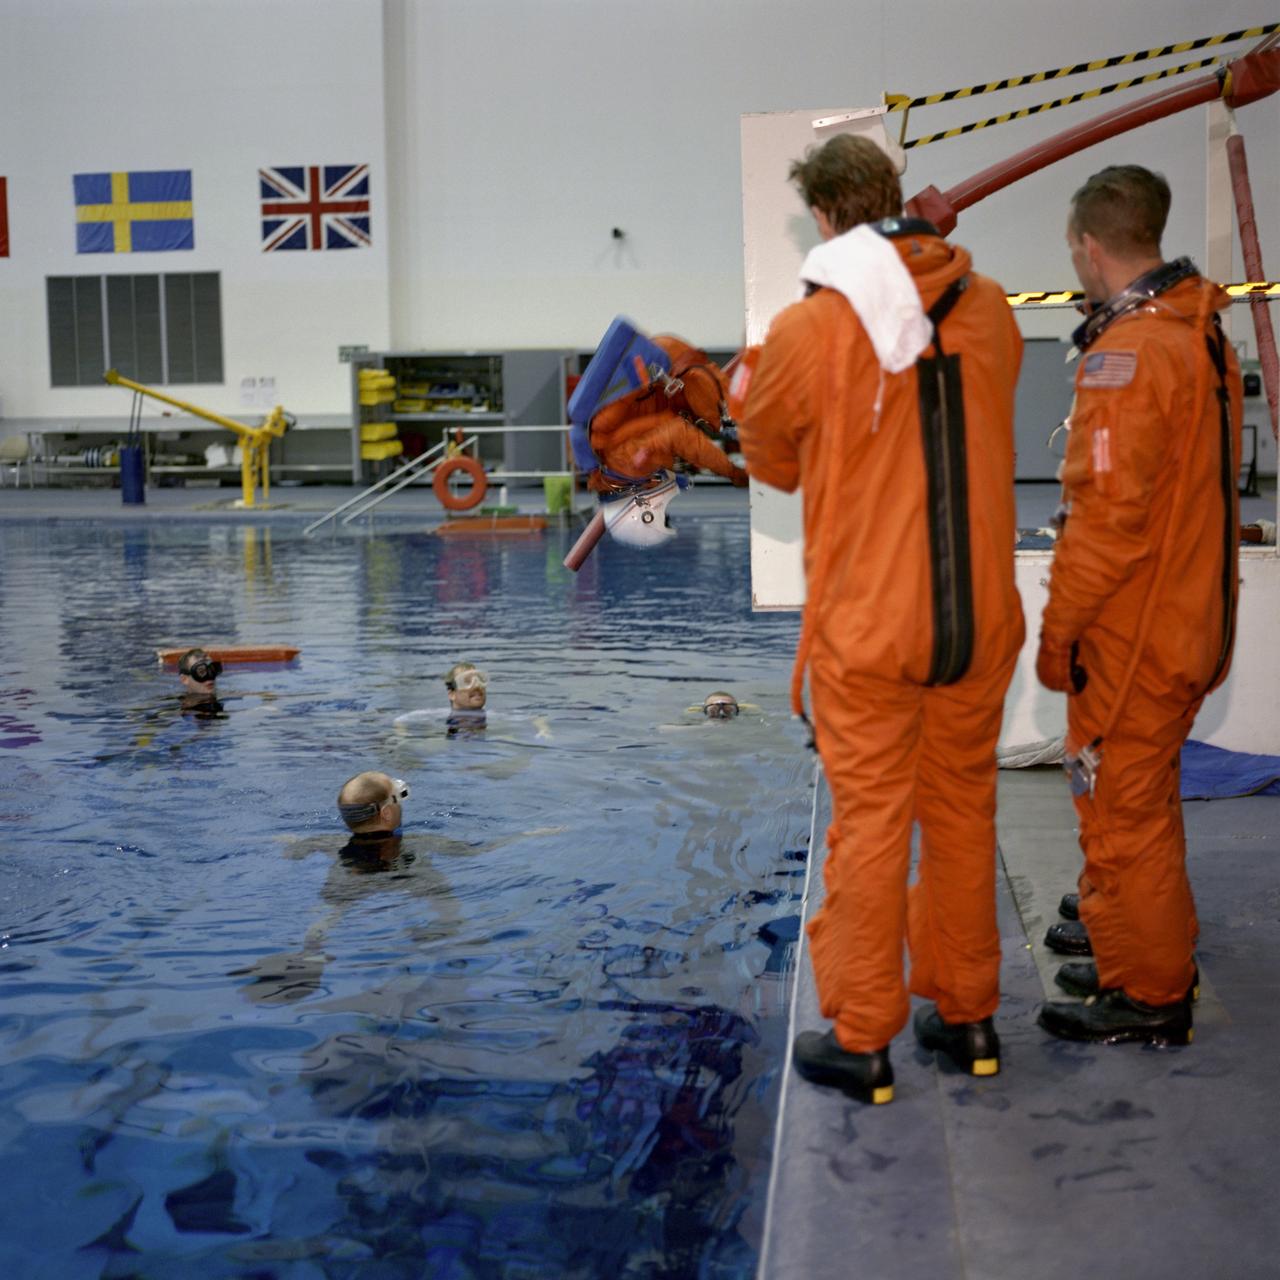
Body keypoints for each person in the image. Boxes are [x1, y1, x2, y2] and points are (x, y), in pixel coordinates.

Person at [733, 132, 1024, 1103]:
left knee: (867, 829)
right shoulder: (988, 309)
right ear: (894, 193)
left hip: (871, 629)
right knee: (959, 814)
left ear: (820, 218)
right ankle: (969, 1016)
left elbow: (771, 460)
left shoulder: (808, 328)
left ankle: (861, 1038)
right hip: (977, 621)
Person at [1034, 165, 1242, 1047]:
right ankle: (1134, 953)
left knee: (1126, 816)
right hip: (1188, 614)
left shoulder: (1130, 355)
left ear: (1087, 245)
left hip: (1140, 633)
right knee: (1133, 803)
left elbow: (1105, 523)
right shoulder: (1199, 332)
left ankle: (1151, 994)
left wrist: (1056, 635)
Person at [585, 336, 749, 496]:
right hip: (671, 374)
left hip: (670, 374)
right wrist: (733, 472)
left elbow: (678, 429)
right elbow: (678, 434)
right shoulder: (621, 450)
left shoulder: (617, 427)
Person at [177, 647, 224, 717]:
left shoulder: (225, 695)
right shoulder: (184, 712)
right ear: (184, 679)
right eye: (201, 672)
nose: (209, 677)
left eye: (212, 670)